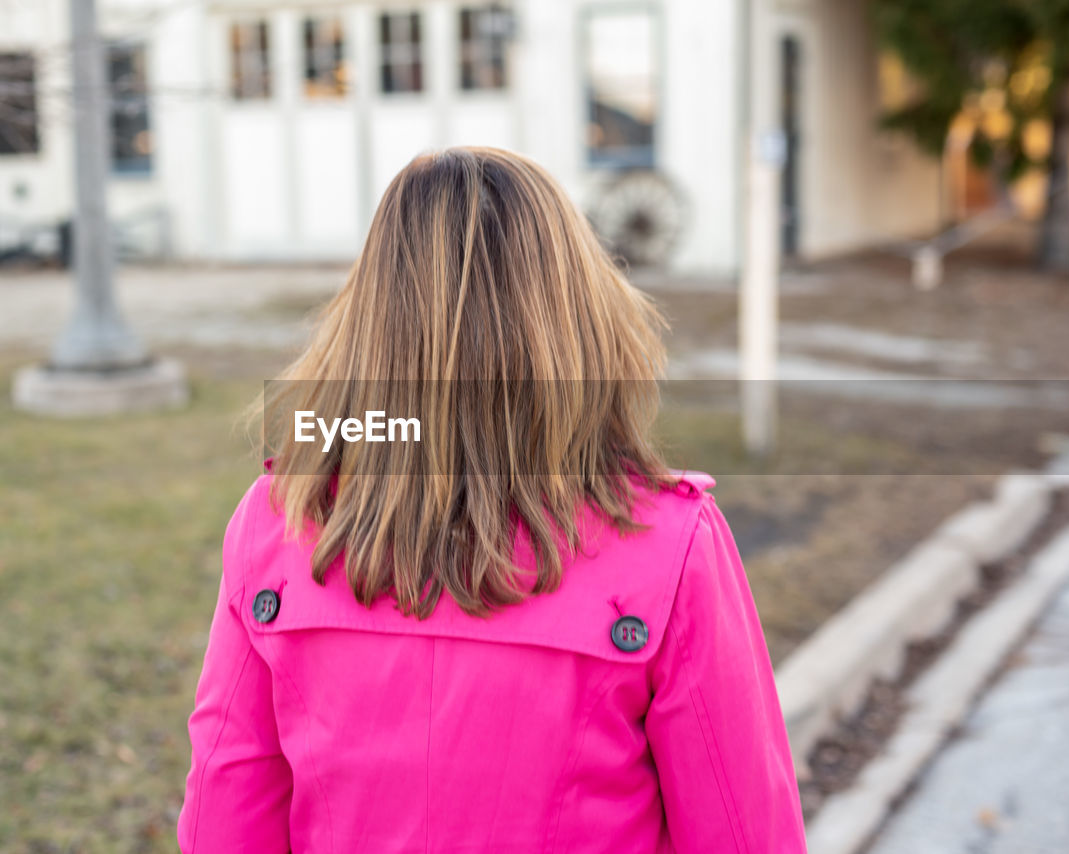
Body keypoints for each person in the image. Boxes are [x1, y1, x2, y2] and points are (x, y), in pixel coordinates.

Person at [178, 147, 806, 853]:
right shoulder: (670, 542)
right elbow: (742, 828)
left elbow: (224, 816)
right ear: (577, 318)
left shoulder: (278, 522)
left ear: (368, 324)